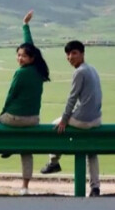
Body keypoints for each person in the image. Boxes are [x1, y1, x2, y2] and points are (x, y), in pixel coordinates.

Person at [41, 40, 104, 196]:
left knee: (54, 126)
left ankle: (53, 161)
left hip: (83, 120)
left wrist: (64, 119)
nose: (70, 57)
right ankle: (95, 187)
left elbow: (72, 98)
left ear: (82, 54)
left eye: (74, 53)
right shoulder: (93, 69)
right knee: (92, 152)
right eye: (68, 54)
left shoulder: (79, 72)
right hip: (96, 119)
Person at [0, 10, 50, 195]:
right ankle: (25, 187)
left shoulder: (20, 73)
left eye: (23, 56)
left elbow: (11, 96)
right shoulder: (38, 70)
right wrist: (25, 25)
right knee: (26, 151)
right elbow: (30, 46)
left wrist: (2, 114)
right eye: (18, 55)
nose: (20, 58)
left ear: (31, 58)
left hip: (14, 118)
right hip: (33, 119)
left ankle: (7, 148)